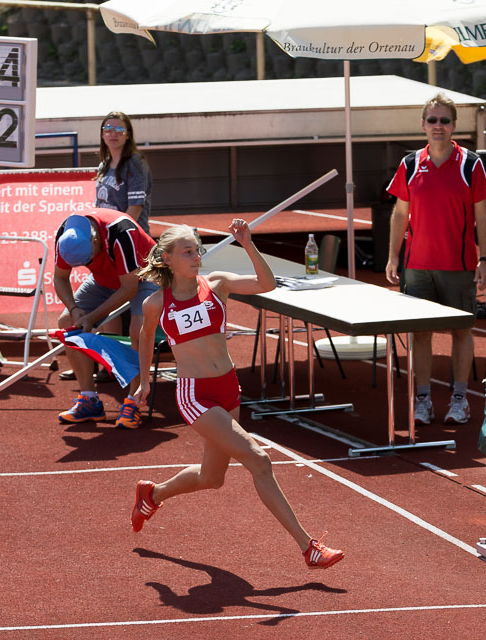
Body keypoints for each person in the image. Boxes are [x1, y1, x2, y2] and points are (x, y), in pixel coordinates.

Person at [129, 221, 344, 571]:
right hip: (195, 394)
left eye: (198, 249)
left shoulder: (217, 284)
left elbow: (266, 284)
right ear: (167, 258)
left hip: (228, 386)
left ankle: (152, 495)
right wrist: (144, 382)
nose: (196, 256)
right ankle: (309, 548)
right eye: (187, 251)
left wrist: (247, 244)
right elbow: (144, 337)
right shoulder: (156, 303)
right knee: (259, 459)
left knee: (212, 478)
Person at [385, 93, 486, 426]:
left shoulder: (470, 164)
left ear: (454, 126)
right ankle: (423, 400)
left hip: (458, 265)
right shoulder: (410, 164)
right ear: (422, 125)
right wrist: (393, 256)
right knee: (420, 334)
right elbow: (400, 211)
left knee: (462, 332)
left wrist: (485, 258)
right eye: (432, 120)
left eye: (445, 121)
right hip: (417, 266)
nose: (438, 126)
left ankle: (459, 400)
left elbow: (483, 213)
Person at [53, 209, 158, 429]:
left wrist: (91, 317)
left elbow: (129, 288)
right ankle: (89, 399)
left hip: (145, 275)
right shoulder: (65, 234)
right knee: (67, 323)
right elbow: (60, 277)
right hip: (105, 279)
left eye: (89, 259)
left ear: (95, 240)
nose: (88, 263)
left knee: (138, 329)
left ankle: (134, 401)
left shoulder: (121, 232)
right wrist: (74, 310)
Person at [96, 111, 152, 235]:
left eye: (120, 129)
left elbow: (135, 208)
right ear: (102, 135)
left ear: (128, 135)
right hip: (109, 237)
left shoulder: (135, 163)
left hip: (130, 238)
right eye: (108, 129)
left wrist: (115, 235)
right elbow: (99, 206)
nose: (113, 134)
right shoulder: (103, 166)